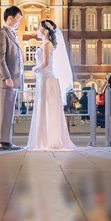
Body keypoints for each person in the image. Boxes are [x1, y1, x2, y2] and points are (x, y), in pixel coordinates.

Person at [26, 19, 76, 152]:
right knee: (44, 108)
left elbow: (45, 63)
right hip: (44, 78)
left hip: (47, 79)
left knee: (45, 108)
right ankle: (45, 139)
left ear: (46, 31)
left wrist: (35, 68)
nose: (37, 30)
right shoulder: (47, 44)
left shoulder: (47, 44)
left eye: (39, 27)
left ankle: (45, 140)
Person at [0, 5, 24, 151]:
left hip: (14, 79)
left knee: (10, 111)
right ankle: (4, 142)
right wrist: (7, 76)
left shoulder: (12, 34)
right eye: (18, 19)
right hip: (8, 80)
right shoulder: (2, 34)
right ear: (10, 18)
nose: (19, 22)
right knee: (6, 112)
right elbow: (0, 58)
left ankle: (7, 140)